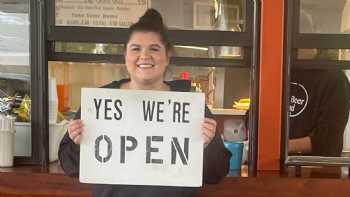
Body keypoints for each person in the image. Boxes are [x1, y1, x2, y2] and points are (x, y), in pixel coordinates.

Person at [58, 9, 231, 197]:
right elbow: (71, 167)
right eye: (136, 48)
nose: (144, 56)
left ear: (167, 56)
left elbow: (216, 174)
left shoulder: (190, 105)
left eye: (154, 49)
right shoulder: (100, 102)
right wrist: (77, 142)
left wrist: (208, 144)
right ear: (125, 55)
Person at [288, 69, 350, 156]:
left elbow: (328, 141)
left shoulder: (335, 79)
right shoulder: (280, 68)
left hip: (314, 166)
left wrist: (279, 147)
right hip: (272, 161)